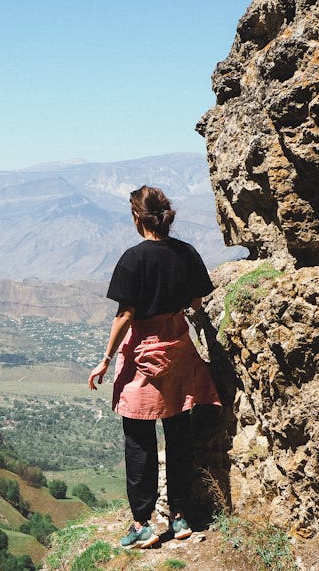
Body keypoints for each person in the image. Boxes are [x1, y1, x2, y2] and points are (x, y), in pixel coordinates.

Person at [88, 185, 221, 549]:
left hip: (142, 355)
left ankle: (143, 523)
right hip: (177, 350)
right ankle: (179, 517)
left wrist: (105, 359)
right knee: (178, 434)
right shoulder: (186, 252)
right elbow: (195, 299)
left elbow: (126, 314)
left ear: (137, 217)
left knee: (139, 441)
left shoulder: (133, 259)